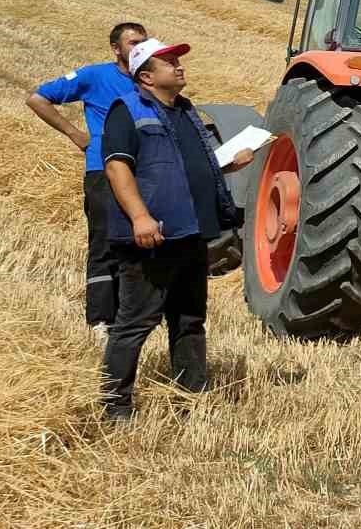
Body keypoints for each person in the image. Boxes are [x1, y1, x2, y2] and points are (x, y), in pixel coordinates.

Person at [98, 38, 256, 421]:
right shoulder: (128, 110)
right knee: (135, 323)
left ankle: (190, 399)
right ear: (147, 76)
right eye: (169, 61)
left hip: (191, 233)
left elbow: (188, 165)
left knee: (189, 320)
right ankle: (115, 406)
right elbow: (117, 166)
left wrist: (229, 165)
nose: (178, 65)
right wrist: (139, 217)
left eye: (178, 59)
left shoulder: (185, 112)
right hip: (154, 235)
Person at [26, 21, 149, 331]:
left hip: (144, 172)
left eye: (143, 42)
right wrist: (74, 133)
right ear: (116, 48)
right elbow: (38, 98)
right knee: (104, 242)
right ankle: (100, 320)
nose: (139, 48)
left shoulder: (148, 80)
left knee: (139, 242)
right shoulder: (95, 75)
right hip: (103, 169)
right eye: (133, 43)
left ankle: (131, 315)